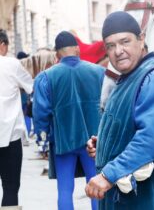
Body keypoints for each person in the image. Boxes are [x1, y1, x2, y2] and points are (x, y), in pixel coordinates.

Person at [85, 11, 154, 210]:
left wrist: (109, 174)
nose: (118, 51)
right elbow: (131, 127)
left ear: (141, 39)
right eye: (111, 46)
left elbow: (150, 138)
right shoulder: (129, 77)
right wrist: (105, 144)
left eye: (124, 42)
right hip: (129, 194)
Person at [32, 31, 104, 210]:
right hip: (94, 142)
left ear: (57, 54)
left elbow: (40, 113)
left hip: (63, 141)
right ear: (78, 50)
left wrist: (43, 139)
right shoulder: (99, 72)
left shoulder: (46, 77)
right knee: (97, 186)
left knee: (64, 190)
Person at [0, 29, 33, 207]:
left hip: (9, 134)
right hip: (9, 135)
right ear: (3, 45)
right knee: (10, 187)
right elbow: (30, 86)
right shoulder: (11, 64)